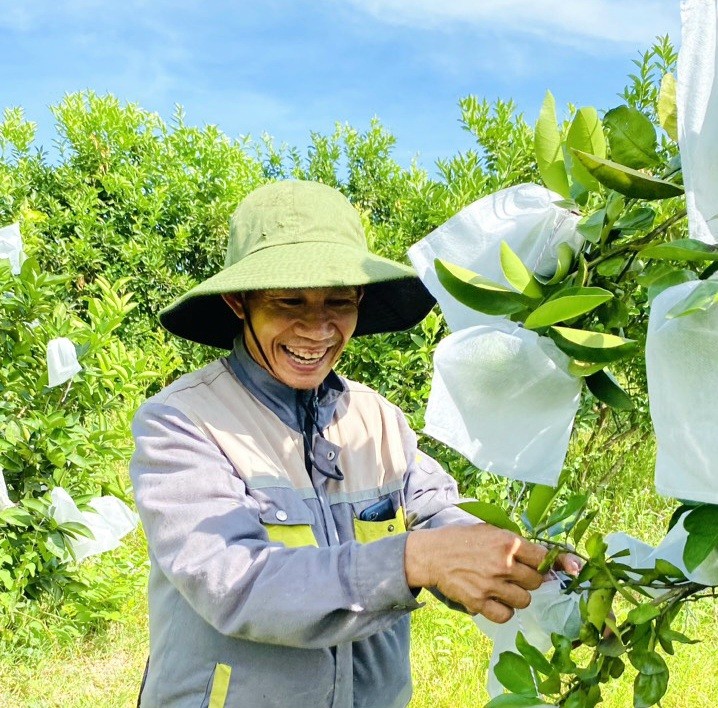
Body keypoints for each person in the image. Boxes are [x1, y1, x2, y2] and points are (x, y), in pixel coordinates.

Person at [130, 180, 575, 708]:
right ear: (238, 302)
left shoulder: (378, 419)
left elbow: (434, 513)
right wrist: (413, 561)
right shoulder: (182, 423)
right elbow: (234, 581)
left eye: (339, 301)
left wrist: (513, 558)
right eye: (289, 301)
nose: (317, 329)